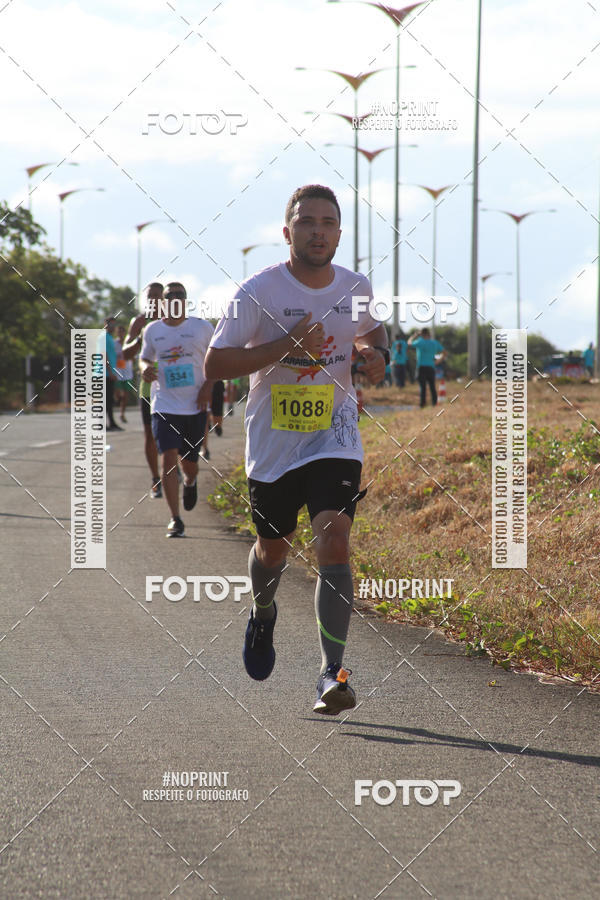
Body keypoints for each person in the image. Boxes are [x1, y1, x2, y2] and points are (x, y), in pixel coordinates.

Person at [204, 184, 388, 715]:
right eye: (307, 222)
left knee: (333, 539)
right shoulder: (258, 290)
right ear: (288, 232)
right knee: (273, 549)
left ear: (338, 233)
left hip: (335, 434)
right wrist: (287, 346)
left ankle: (334, 672)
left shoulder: (355, 286)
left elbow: (371, 335)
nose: (318, 231)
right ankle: (263, 614)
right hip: (274, 445)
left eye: (328, 223)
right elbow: (217, 365)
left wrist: (377, 355)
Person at [140, 282, 214, 537]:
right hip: (164, 404)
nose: (175, 298)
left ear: (185, 300)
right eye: (170, 295)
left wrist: (209, 387)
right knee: (168, 458)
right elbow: (144, 357)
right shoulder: (153, 330)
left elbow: (217, 360)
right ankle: (175, 519)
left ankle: (191, 482)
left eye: (179, 295)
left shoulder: (202, 328)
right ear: (163, 301)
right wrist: (144, 369)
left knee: (188, 464)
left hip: (194, 406)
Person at [122, 283, 163, 498]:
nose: (154, 299)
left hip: (173, 385)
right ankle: (156, 478)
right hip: (148, 385)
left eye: (158, 295)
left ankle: (172, 472)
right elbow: (126, 355)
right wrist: (141, 337)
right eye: (151, 296)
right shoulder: (139, 322)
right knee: (150, 434)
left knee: (174, 433)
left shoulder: (174, 319)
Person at [408, 328, 446, 407]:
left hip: (421, 367)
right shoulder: (434, 343)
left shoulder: (420, 342)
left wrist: (414, 336)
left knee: (423, 387)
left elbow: (409, 343)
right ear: (429, 334)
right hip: (431, 367)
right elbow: (444, 352)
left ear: (421, 334)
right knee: (432, 386)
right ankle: (434, 403)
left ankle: (423, 404)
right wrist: (438, 361)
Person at [103, 317, 122, 431]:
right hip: (104, 373)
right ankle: (103, 424)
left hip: (110, 373)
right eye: (111, 325)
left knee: (109, 400)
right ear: (106, 325)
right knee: (105, 400)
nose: (113, 327)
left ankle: (111, 423)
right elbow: (103, 355)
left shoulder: (110, 338)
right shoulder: (104, 337)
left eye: (114, 325)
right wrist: (110, 371)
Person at [114, 324, 135, 423]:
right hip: (118, 370)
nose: (121, 334)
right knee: (118, 393)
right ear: (117, 333)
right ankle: (118, 399)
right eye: (119, 332)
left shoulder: (129, 343)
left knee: (126, 394)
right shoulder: (114, 344)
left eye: (122, 332)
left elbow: (133, 356)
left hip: (127, 371)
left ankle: (122, 413)